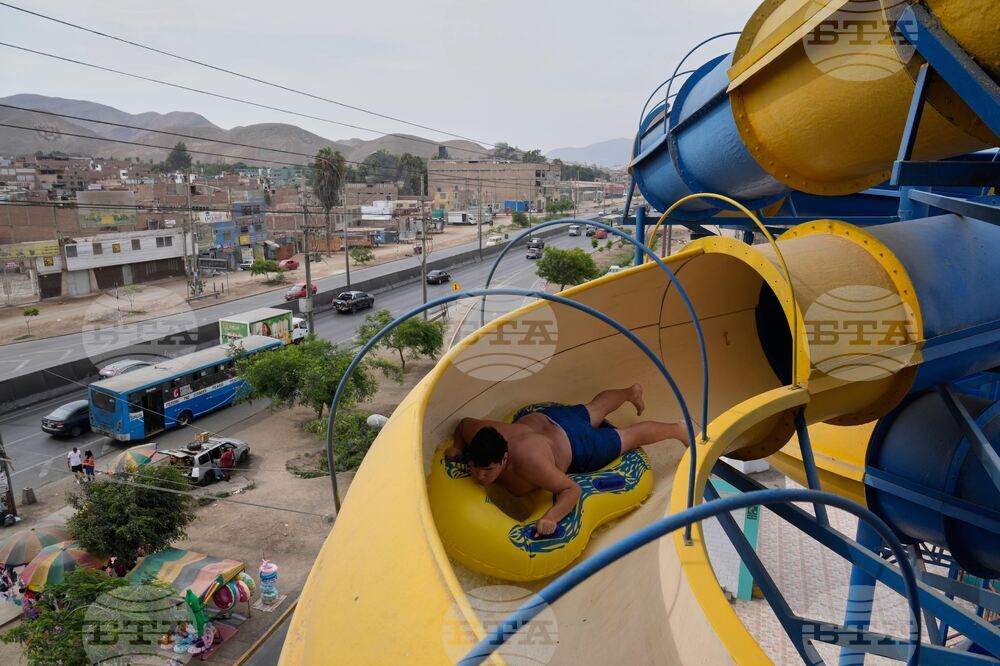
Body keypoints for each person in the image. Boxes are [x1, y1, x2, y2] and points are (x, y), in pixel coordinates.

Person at [445, 384, 689, 536]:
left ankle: (677, 429)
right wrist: (457, 447)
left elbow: (570, 489)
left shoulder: (530, 463)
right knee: (594, 408)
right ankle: (630, 392)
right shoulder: (477, 433)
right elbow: (463, 423)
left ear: (505, 458)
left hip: (577, 445)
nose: (479, 476)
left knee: (629, 437)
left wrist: (551, 517)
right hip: (550, 418)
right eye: (474, 467)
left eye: (487, 470)